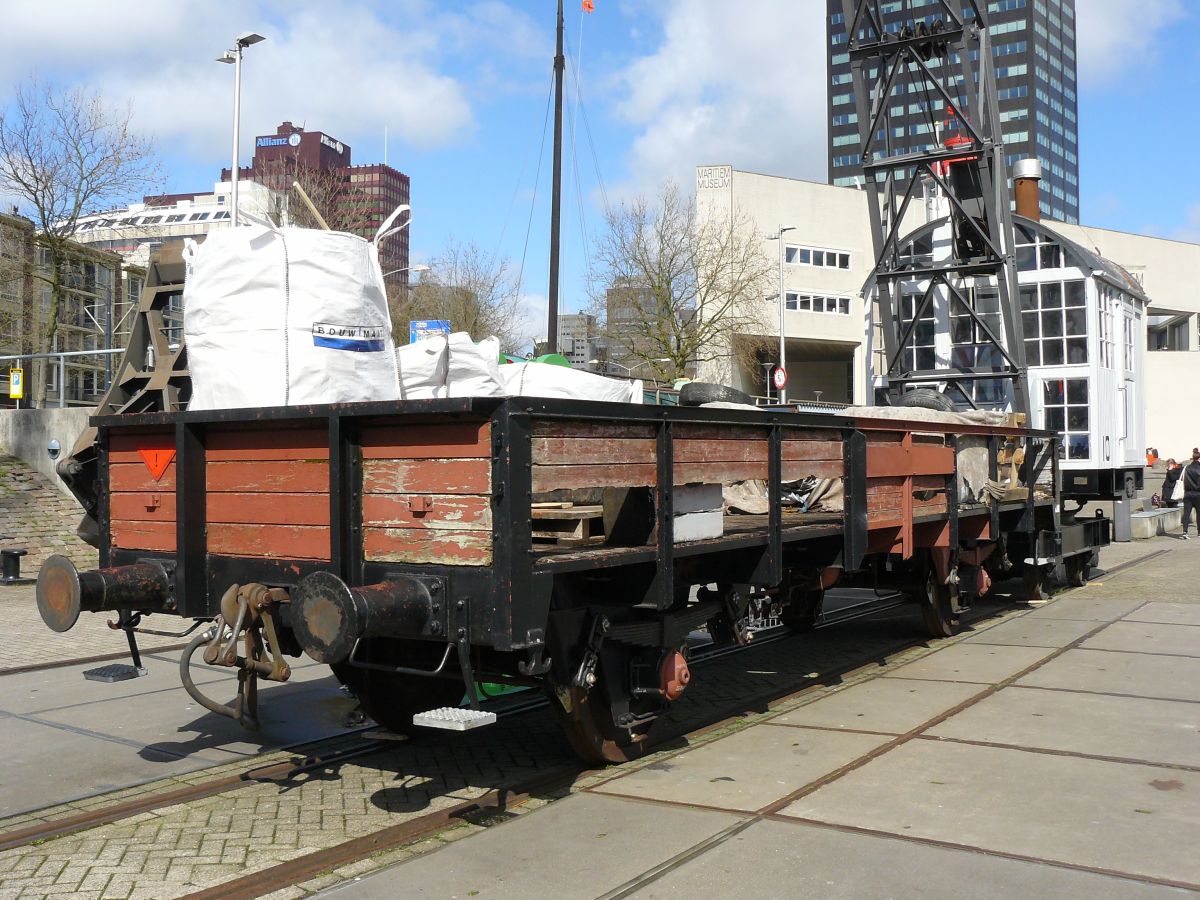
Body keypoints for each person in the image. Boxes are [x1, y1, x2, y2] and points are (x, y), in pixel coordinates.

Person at [1182, 449, 1200, 539]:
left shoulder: (1187, 468)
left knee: (1186, 514)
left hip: (1188, 493)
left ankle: (1185, 532)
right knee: (1199, 513)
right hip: (1198, 493)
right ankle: (1199, 532)